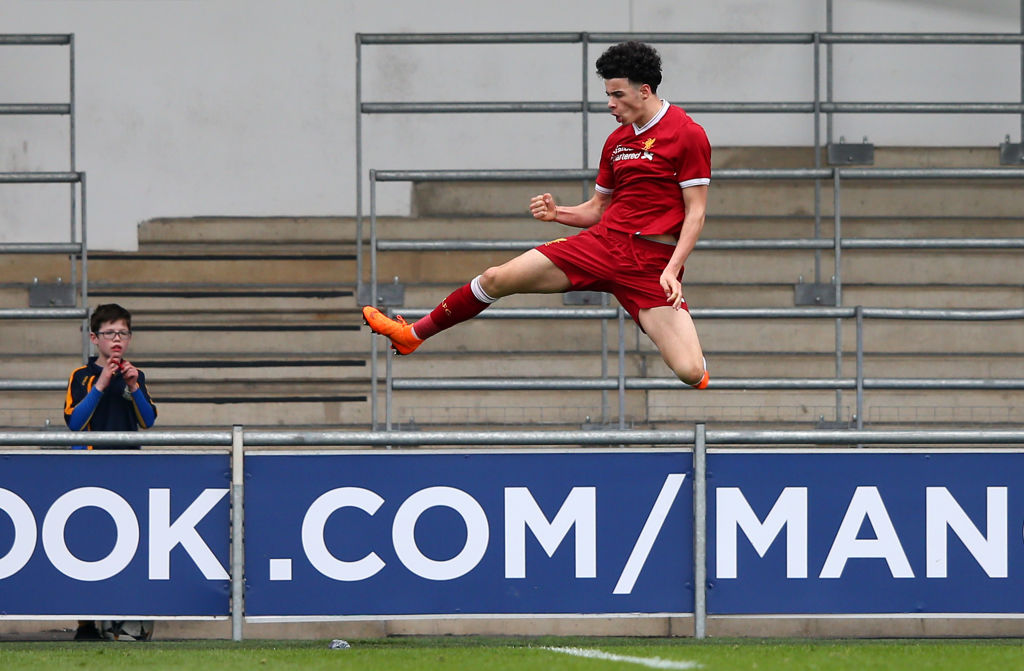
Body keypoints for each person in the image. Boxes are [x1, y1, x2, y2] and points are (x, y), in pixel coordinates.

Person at [362, 41, 711, 389]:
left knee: (689, 372)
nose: (610, 104)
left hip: (651, 265)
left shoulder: (686, 134)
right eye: (608, 94)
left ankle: (690, 350)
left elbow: (695, 214)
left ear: (645, 91)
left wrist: (671, 269)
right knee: (496, 278)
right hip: (602, 246)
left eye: (617, 95)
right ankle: (412, 334)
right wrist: (558, 213)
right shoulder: (616, 142)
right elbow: (596, 209)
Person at [63, 303, 157, 641]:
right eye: (109, 333)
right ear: (94, 338)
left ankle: (123, 619)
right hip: (90, 470)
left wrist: (133, 386)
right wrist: (102, 383)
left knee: (128, 542)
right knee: (88, 543)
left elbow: (148, 421)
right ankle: (86, 623)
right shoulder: (82, 376)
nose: (116, 339)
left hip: (128, 469)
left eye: (123, 333)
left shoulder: (136, 375)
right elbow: (75, 423)